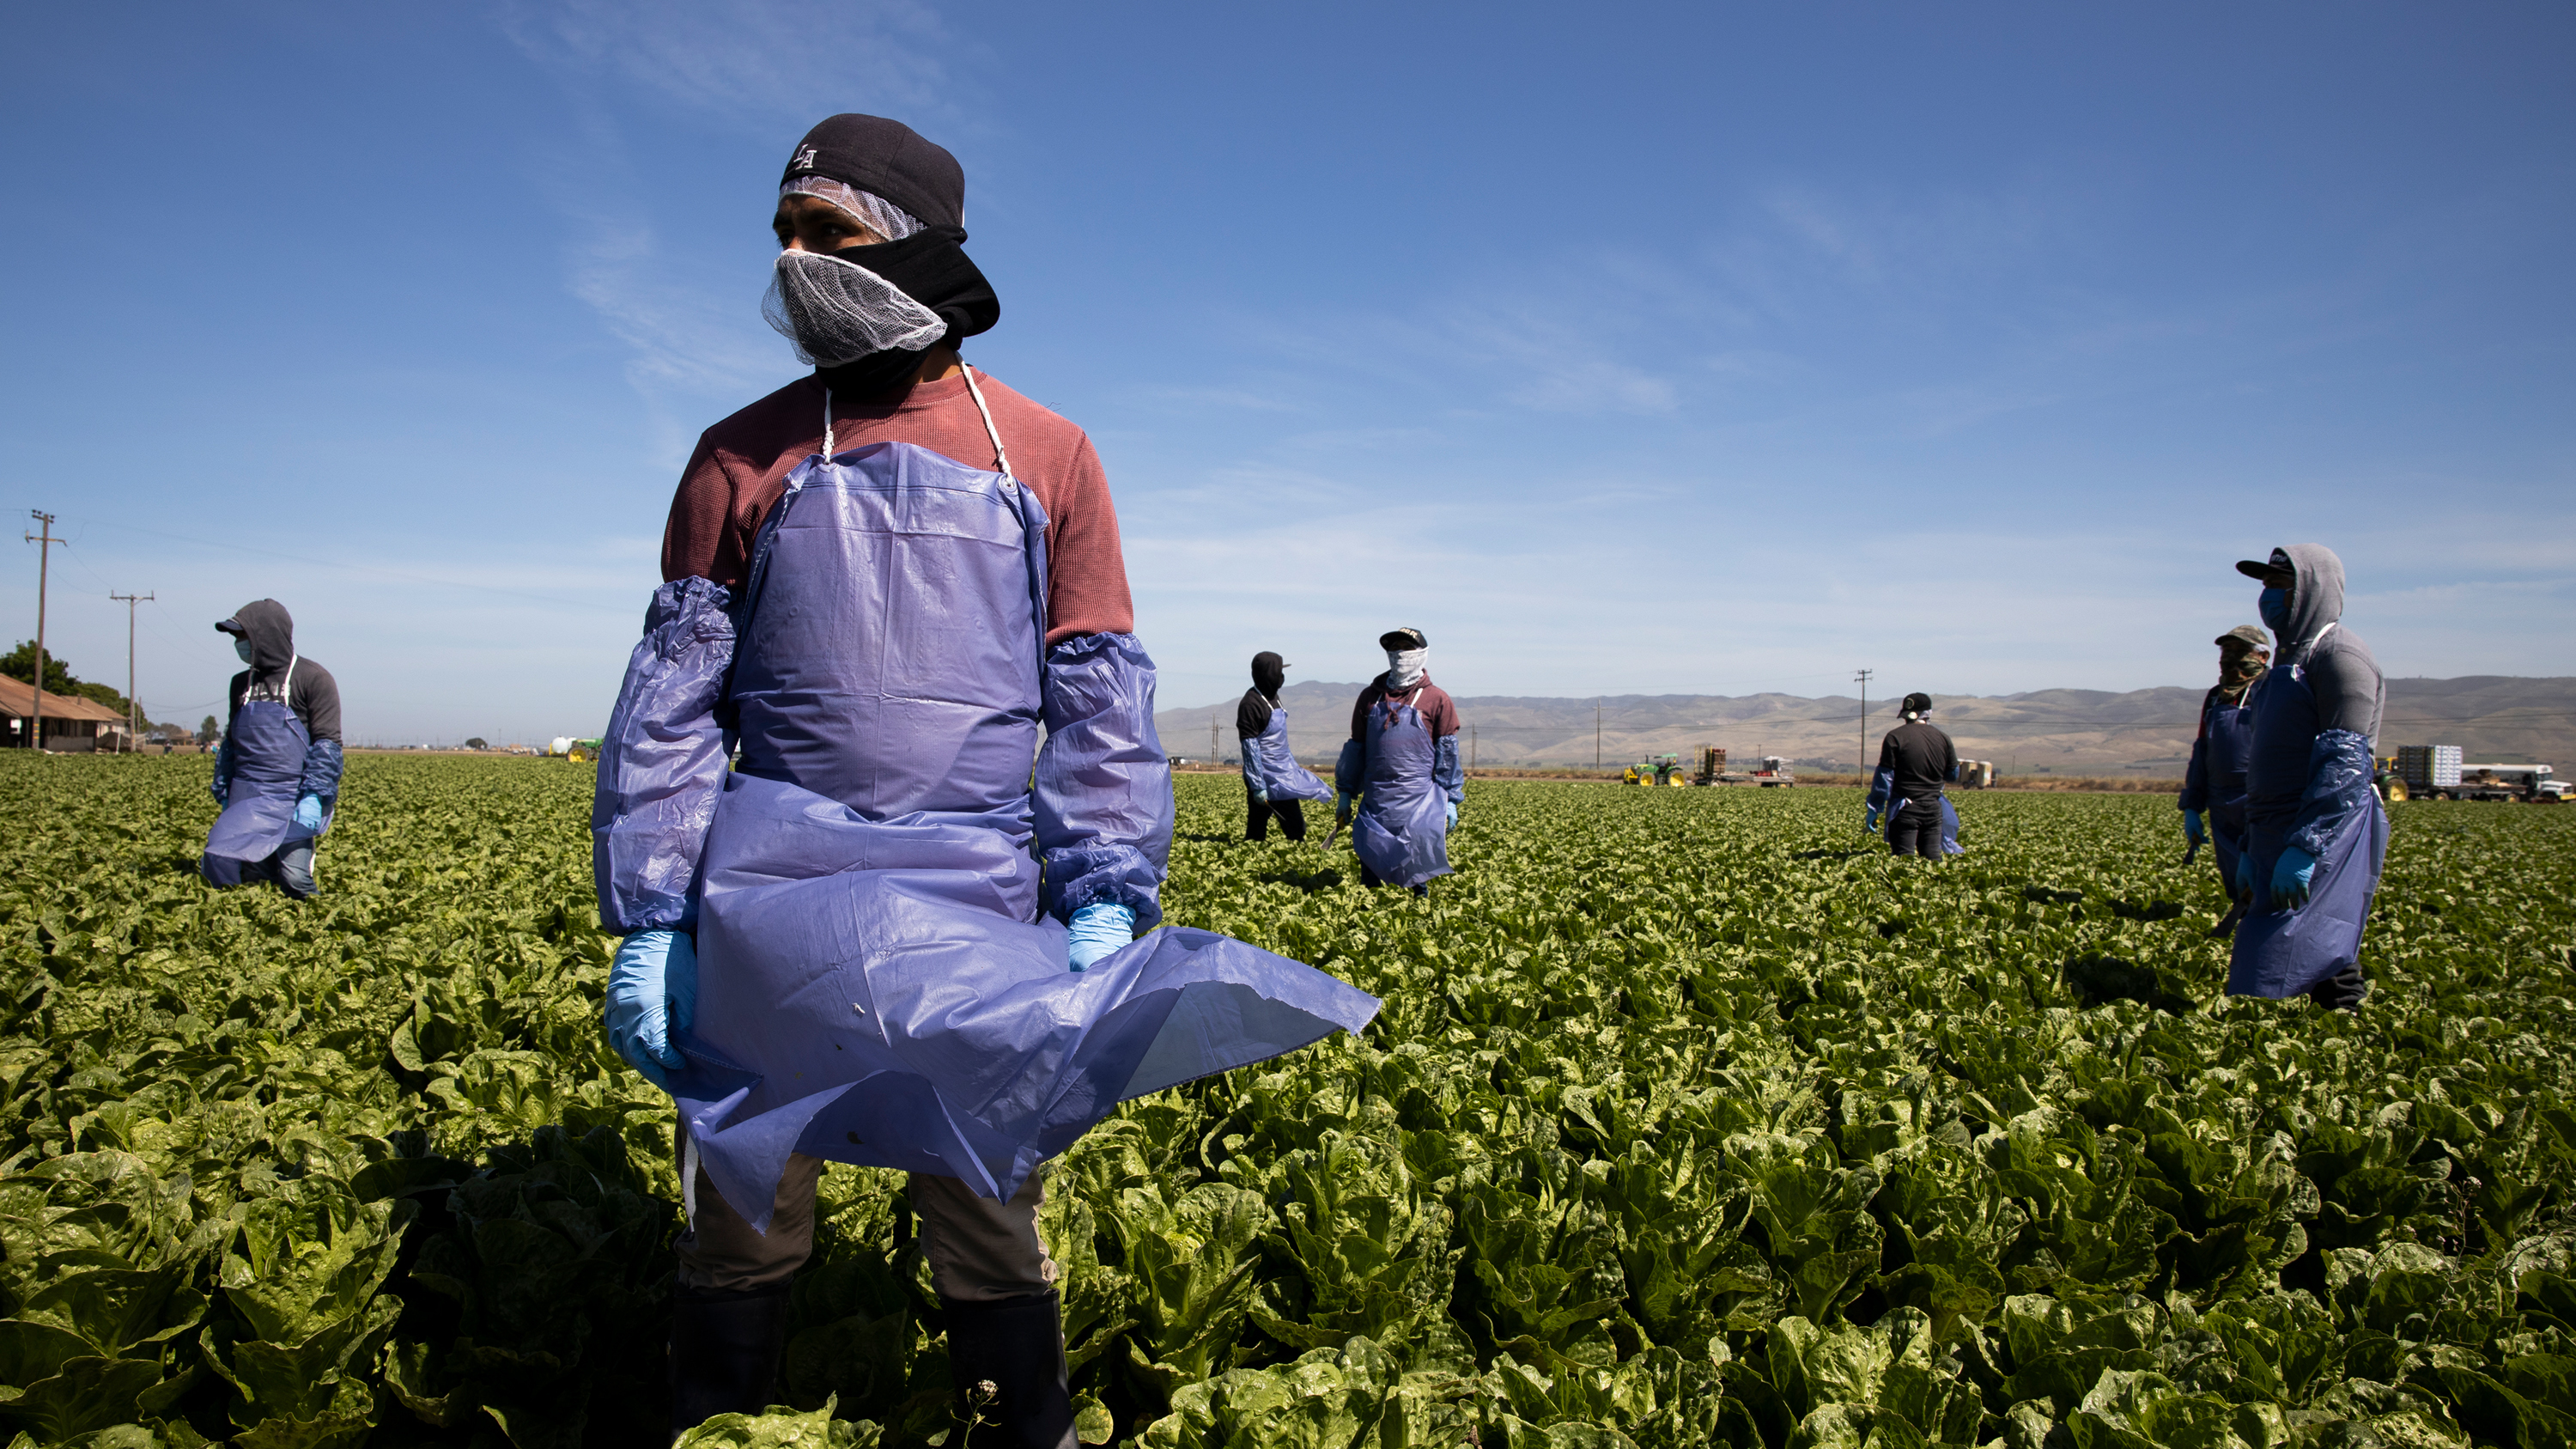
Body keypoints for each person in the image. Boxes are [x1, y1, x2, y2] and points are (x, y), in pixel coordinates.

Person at [589, 114, 1378, 1445]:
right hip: (767, 892)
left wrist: (1105, 887)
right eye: (782, 234)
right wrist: (654, 915)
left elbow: (1095, 690)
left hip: (974, 887)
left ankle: (1021, 1421)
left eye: (826, 232)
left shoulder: (1048, 454)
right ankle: (721, 1415)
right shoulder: (744, 453)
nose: (793, 260)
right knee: (742, 1195)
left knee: (987, 1190)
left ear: (915, 240)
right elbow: (672, 700)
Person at [2227, 545, 2384, 1011]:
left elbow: (2346, 761)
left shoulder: (2339, 655)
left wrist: (2307, 844)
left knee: (2296, 945)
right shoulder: (2284, 662)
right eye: (2267, 586)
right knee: (2309, 945)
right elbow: (2268, 761)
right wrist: (2255, 841)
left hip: (2323, 826)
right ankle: (2335, 1033)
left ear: (2313, 590)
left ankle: (2335, 1035)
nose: (2269, 597)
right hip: (2276, 824)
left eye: (2281, 585)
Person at [202, 600, 341, 898]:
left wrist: (314, 796)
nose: (239, 644)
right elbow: (231, 743)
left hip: (292, 795)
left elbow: (327, 744)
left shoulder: (313, 678)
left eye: (243, 636)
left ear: (266, 635)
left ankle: (313, 928)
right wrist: (225, 789)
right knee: (250, 875)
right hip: (247, 795)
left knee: (294, 877)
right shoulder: (240, 683)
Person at [1334, 627, 1464, 894]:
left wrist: (1450, 799)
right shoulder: (1370, 697)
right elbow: (1355, 748)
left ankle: (1419, 909)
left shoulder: (1436, 699)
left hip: (1418, 801)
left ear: (1422, 654)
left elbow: (1447, 755)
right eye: (1394, 649)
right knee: (1371, 856)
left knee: (1415, 862)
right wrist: (1346, 792)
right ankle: (1367, 911)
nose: (1400, 654)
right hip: (1377, 798)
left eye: (1407, 648)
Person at [2178, 624, 2269, 920]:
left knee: (2265, 878)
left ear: (2263, 657)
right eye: (2226, 656)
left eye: (2241, 656)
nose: (2232, 664)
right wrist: (2192, 806)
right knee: (2234, 878)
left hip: (2262, 802)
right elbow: (2202, 750)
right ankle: (2243, 926)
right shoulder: (2217, 697)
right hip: (2221, 805)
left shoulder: (2271, 692)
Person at [1238, 651, 1330, 840]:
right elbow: (1250, 748)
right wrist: (1257, 785)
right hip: (1264, 774)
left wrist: (1291, 766)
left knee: (1295, 823)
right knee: (1257, 823)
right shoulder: (1250, 704)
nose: (1282, 677)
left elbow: (1280, 741)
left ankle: (1297, 846)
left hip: (1283, 772)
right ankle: (1252, 853)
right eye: (1279, 672)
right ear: (1269, 674)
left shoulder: (1273, 697)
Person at [1864, 692, 1959, 859]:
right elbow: (1953, 775)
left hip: (1905, 808)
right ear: (1928, 714)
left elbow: (1884, 778)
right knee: (1931, 859)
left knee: (1904, 860)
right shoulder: (1943, 738)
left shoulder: (1895, 737)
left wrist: (1875, 808)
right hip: (1933, 808)